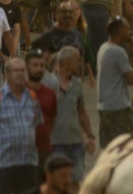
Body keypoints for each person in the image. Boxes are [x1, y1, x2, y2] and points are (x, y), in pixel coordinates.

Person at [49, 47, 96, 184]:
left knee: (75, 181)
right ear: (68, 63)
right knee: (57, 183)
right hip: (55, 143)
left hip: (76, 143)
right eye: (77, 61)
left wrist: (90, 136)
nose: (80, 64)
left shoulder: (77, 85)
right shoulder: (49, 84)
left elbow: (82, 112)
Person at [0, 58, 43, 194]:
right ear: (7, 74)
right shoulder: (0, 98)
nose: (20, 74)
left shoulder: (32, 97)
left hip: (28, 162)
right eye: (16, 70)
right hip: (5, 163)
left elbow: (36, 124)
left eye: (23, 70)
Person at [96, 17, 133, 147]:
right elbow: (131, 80)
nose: (130, 32)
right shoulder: (118, 52)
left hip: (104, 107)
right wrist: (132, 53)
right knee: (127, 148)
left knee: (109, 150)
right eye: (127, 28)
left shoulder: (103, 47)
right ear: (119, 30)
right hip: (119, 109)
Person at [24, 50, 57, 179]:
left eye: (42, 65)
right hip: (23, 152)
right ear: (27, 67)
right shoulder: (19, 92)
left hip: (44, 149)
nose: (39, 69)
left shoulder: (50, 93)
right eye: (35, 65)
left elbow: (52, 118)